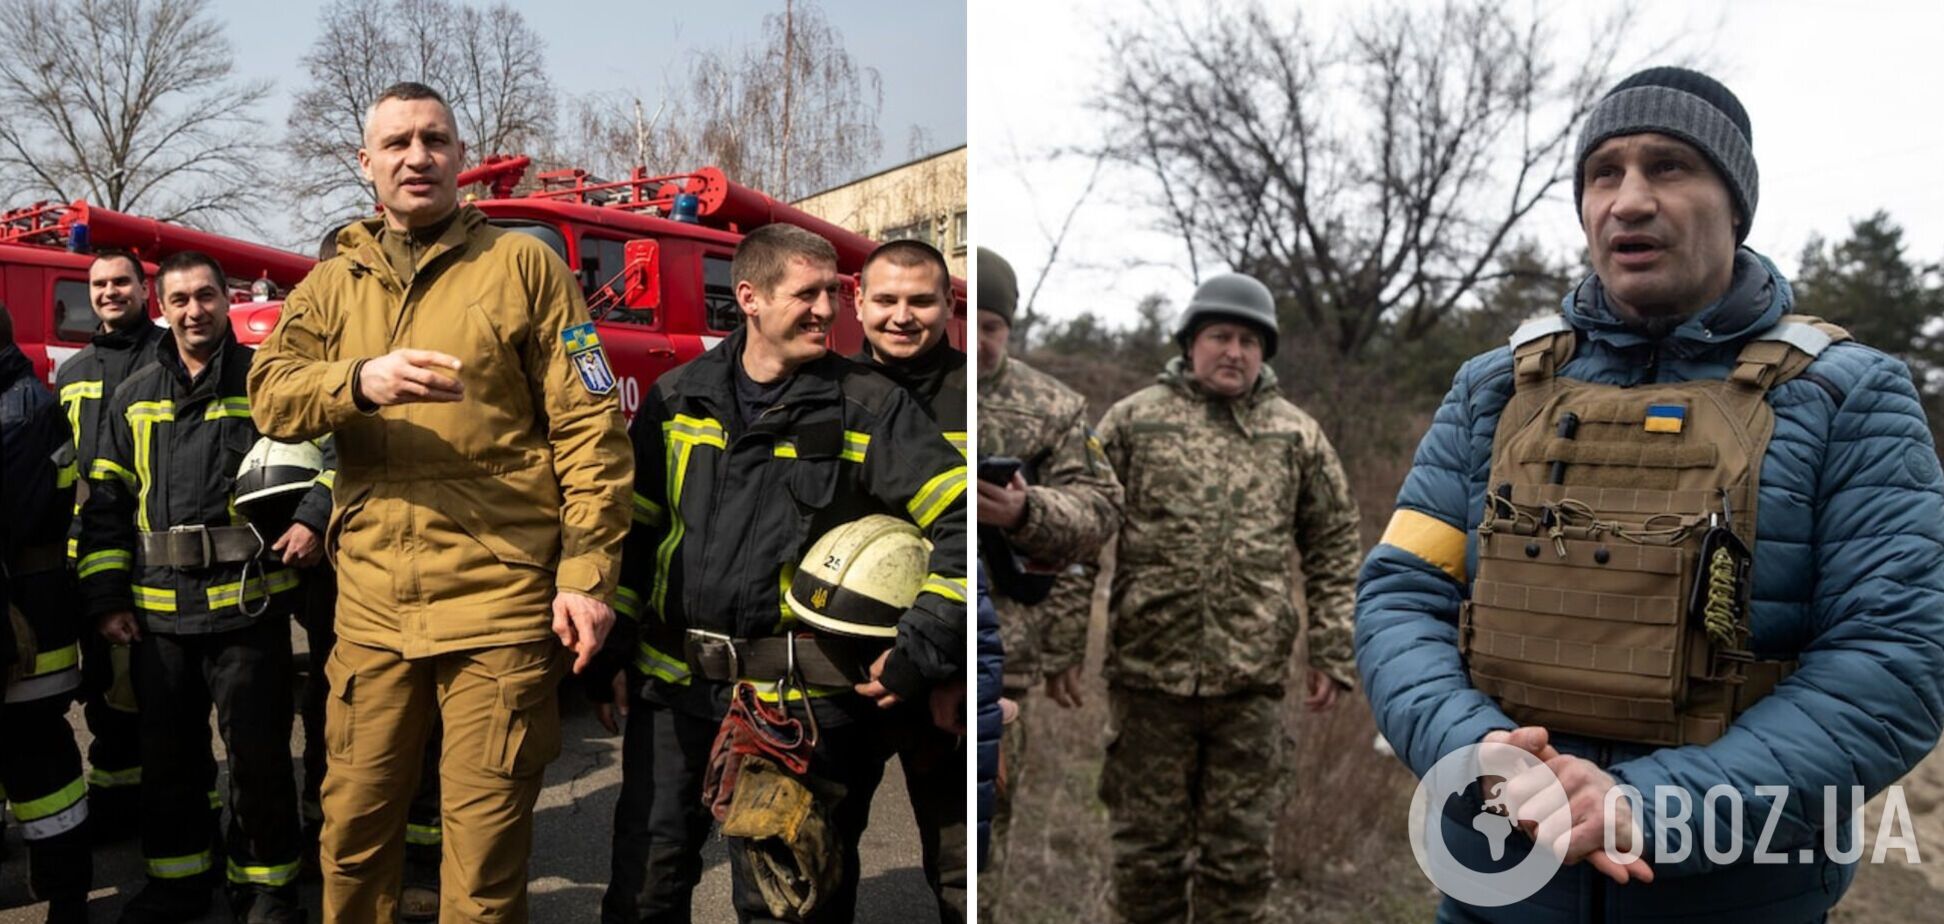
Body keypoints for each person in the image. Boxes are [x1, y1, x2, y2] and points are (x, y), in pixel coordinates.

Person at [1356, 66, 1944, 922]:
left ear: (1735, 206)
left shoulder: (1847, 397)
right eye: (1605, 174)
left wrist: (1657, 805)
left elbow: (1895, 659)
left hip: (1735, 897)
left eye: (1669, 166)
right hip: (1499, 881)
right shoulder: (1493, 390)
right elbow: (1402, 595)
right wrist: (1476, 751)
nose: (1628, 201)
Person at [246, 81, 633, 922]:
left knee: (484, 867)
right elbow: (269, 396)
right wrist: (360, 380)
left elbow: (591, 430)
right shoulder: (331, 283)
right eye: (397, 143)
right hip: (372, 608)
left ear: (460, 156)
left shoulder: (525, 266)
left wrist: (587, 575)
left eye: (434, 139)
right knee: (351, 842)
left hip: (499, 601)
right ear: (367, 163)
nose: (416, 156)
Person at [603, 222, 967, 924]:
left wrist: (923, 642)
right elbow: (635, 529)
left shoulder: (869, 405)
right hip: (674, 692)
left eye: (833, 291)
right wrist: (613, 641)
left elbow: (959, 520)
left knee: (788, 906)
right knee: (643, 891)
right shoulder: (679, 397)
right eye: (808, 294)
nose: (828, 310)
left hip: (800, 705)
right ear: (750, 298)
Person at [1091, 271, 1359, 923]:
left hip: (1250, 687)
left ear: (1264, 352)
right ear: (1190, 342)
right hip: (1148, 682)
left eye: (1249, 341)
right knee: (1146, 861)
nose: (1234, 352)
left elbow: (1334, 543)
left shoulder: (1296, 435)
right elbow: (1081, 527)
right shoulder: (1134, 421)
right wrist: (1062, 643)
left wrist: (1331, 648)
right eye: (1220, 336)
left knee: (1238, 864)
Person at [78, 251, 315, 923]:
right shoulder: (133, 395)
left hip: (248, 608)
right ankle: (178, 885)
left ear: (225, 299)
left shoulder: (265, 382)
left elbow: (327, 459)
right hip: (158, 619)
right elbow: (105, 506)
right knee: (169, 763)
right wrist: (107, 599)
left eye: (206, 296)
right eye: (179, 300)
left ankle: (265, 891)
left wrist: (313, 518)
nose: (194, 311)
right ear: (162, 306)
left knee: (259, 760)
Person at [971, 246, 1121, 916]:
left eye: (994, 327)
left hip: (1001, 660)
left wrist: (1025, 512)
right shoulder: (909, 381)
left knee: (982, 838)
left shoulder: (1052, 407)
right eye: (971, 322)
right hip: (896, 650)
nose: (980, 340)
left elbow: (1101, 510)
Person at [848, 238, 968, 921]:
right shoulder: (821, 391)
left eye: (920, 301)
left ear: (948, 304)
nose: (901, 316)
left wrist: (960, 664)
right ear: (857, 302)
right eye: (886, 299)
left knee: (965, 874)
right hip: (844, 674)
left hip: (947, 672)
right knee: (809, 867)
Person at [55, 248, 165, 831]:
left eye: (121, 282)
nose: (109, 293)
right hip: (84, 550)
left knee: (156, 690)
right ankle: (117, 799)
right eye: (99, 285)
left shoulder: (168, 356)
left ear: (144, 289)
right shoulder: (73, 371)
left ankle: (169, 803)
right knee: (103, 684)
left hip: (149, 551)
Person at [2, 305, 93, 924]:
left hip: (23, 618)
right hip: (22, 605)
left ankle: (66, 896)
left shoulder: (20, 410)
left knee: (38, 762)